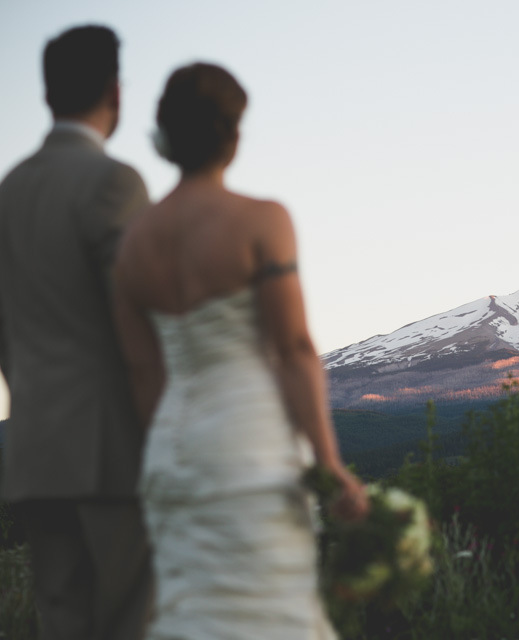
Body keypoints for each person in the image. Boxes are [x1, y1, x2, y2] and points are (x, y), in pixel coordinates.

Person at [112, 62, 369, 639]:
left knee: (191, 613)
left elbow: (142, 373)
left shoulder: (133, 243)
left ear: (165, 136)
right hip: (248, 448)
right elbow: (295, 347)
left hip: (169, 455)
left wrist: (176, 450)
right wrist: (329, 464)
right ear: (233, 134)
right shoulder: (261, 221)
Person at [0, 25, 153, 640]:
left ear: (46, 94)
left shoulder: (9, 192)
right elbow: (136, 322)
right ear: (115, 91)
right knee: (129, 622)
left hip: (36, 448)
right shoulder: (113, 183)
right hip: (111, 451)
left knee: (61, 623)